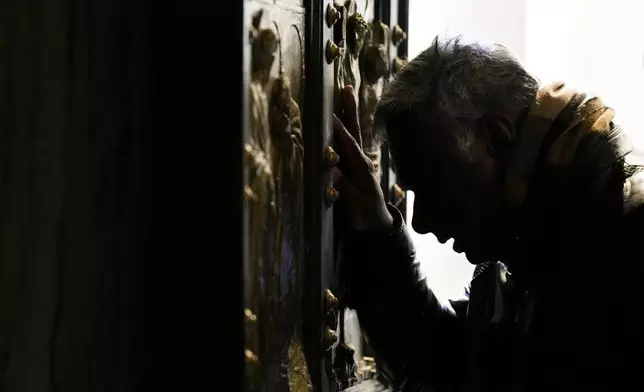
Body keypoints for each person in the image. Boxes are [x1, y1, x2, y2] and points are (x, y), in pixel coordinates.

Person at [332, 36, 644, 391]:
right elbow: (461, 365)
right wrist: (377, 231)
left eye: (434, 184)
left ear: (496, 138)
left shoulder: (621, 245)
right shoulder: (570, 228)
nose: (421, 222)